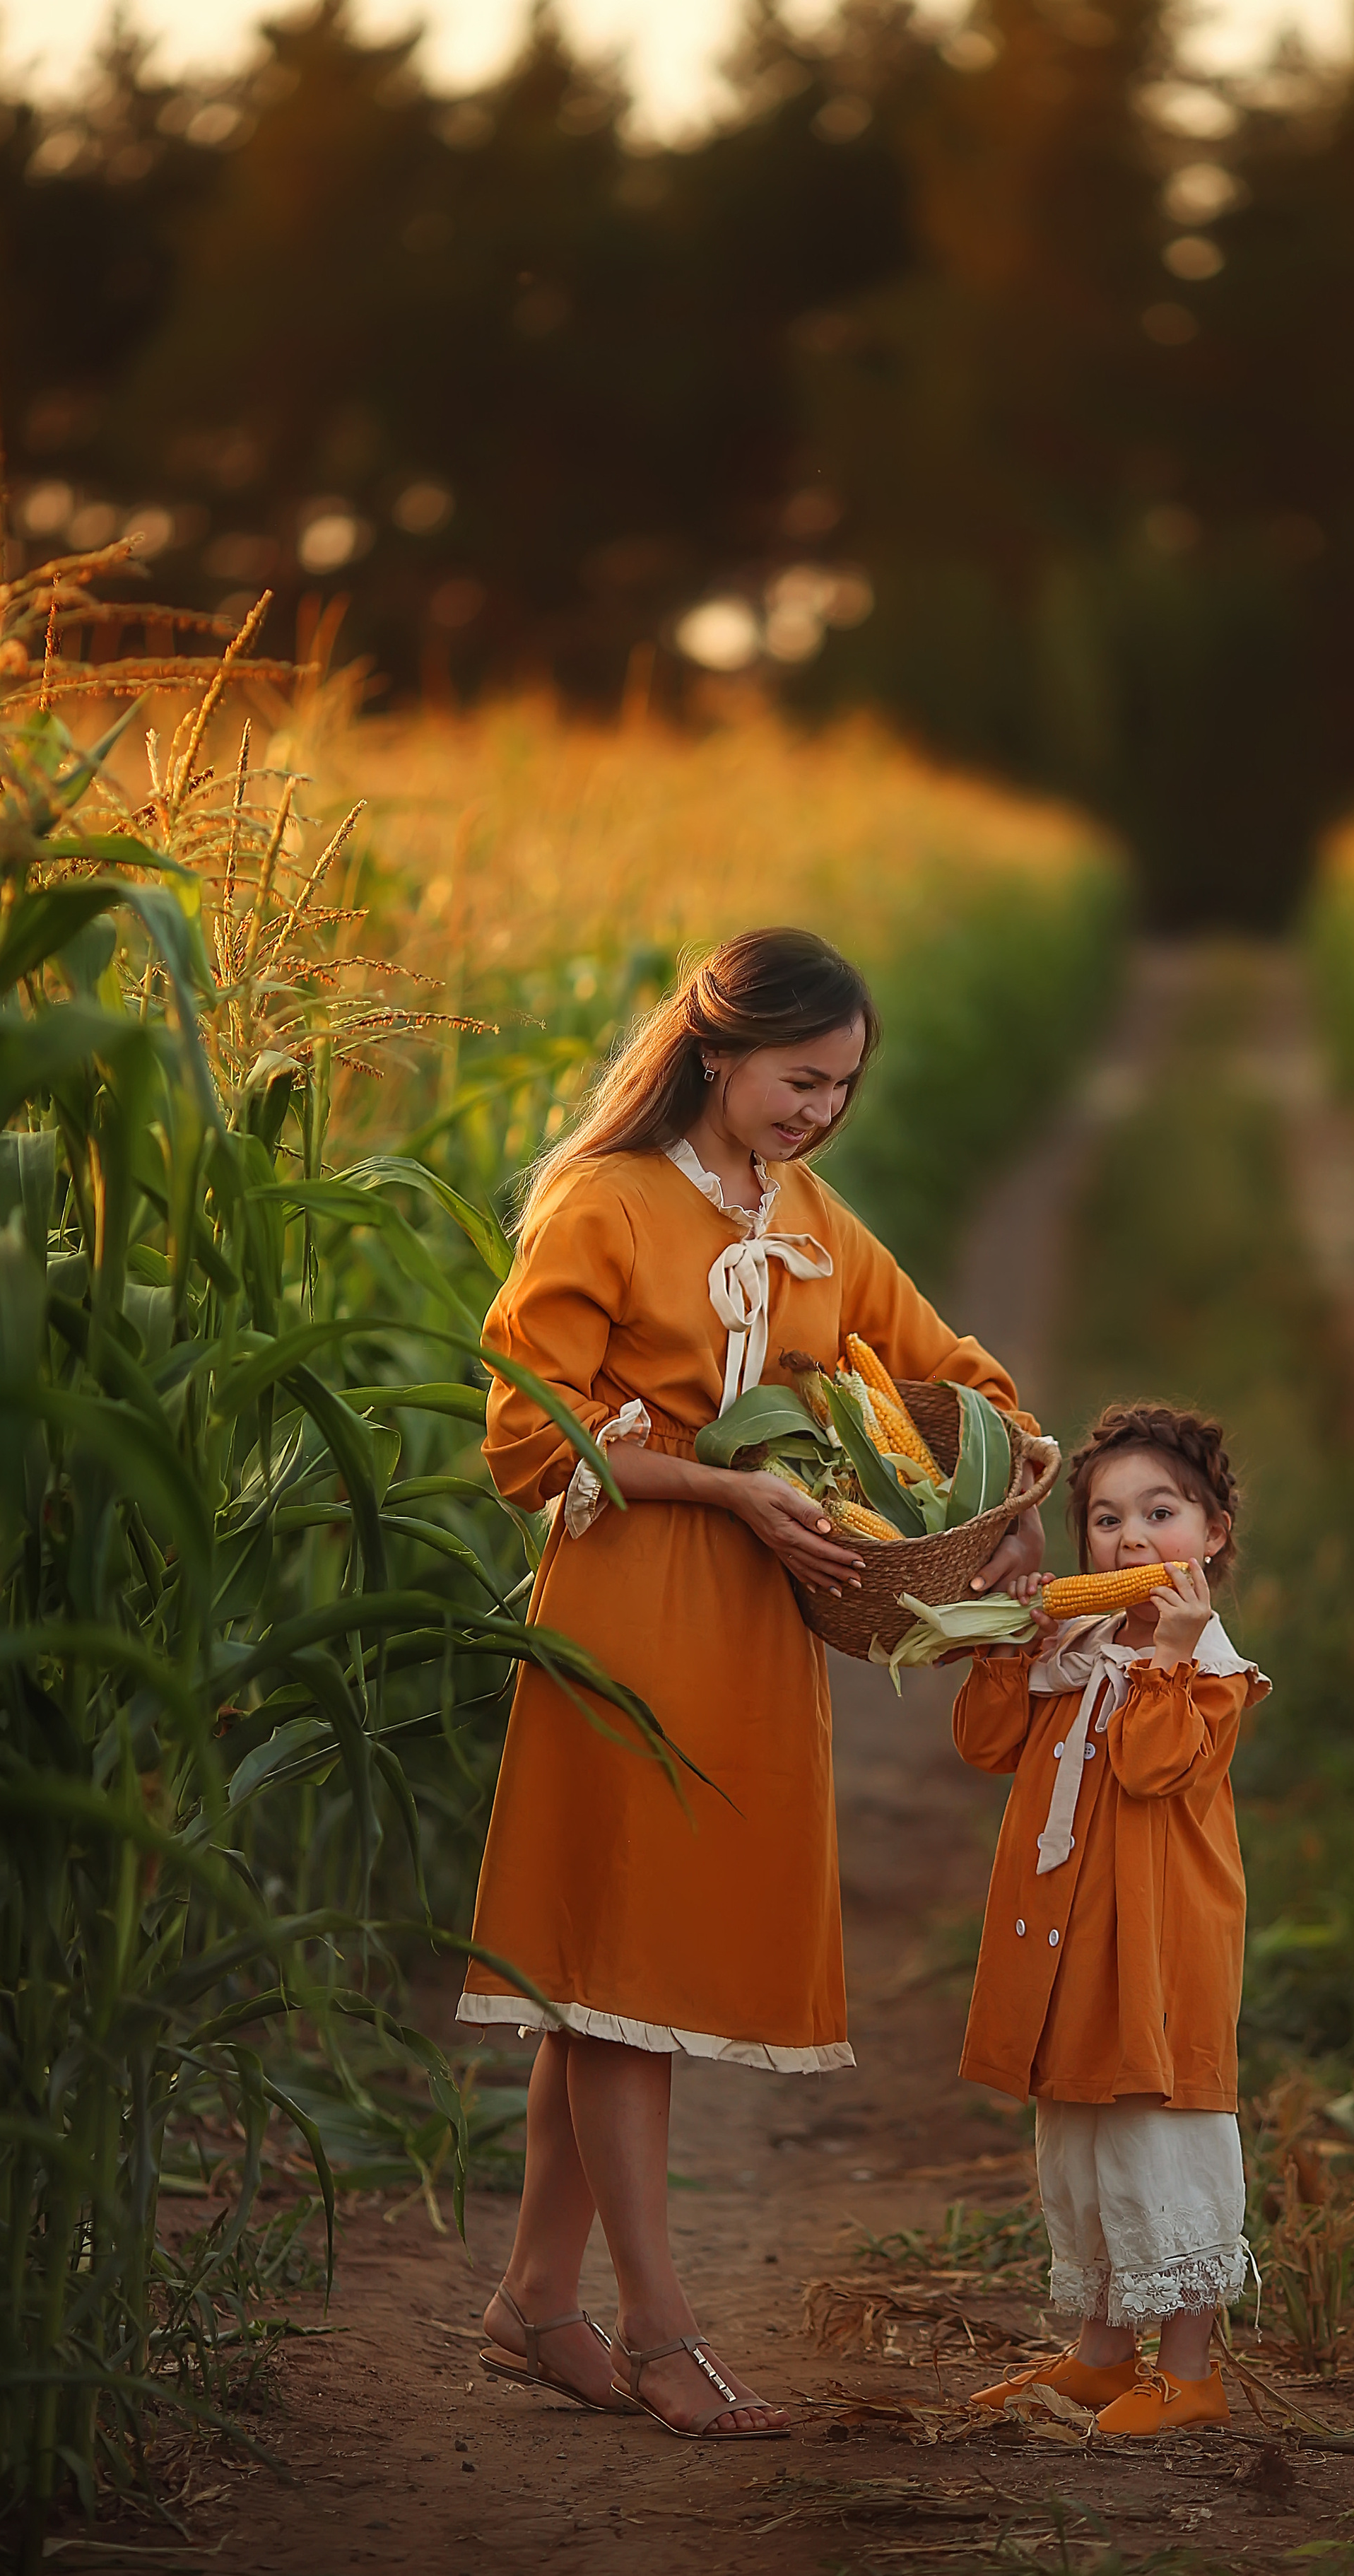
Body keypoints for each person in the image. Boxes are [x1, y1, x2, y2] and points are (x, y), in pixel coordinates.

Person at [459, 927, 1044, 2440]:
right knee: (622, 1978)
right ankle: (659, 2330)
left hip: (751, 1629)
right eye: (801, 1080)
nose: (819, 1113)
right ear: (716, 1053)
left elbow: (945, 1367)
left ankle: (532, 2299)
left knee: (615, 1976)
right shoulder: (605, 1203)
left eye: (844, 1088)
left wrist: (1005, 1468)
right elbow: (528, 1443)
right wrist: (721, 1491)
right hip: (628, 1599)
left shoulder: (804, 1216)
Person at [953, 1401, 1268, 2441]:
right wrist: (1011, 1637)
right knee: (1082, 2141)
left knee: (1156, 2142)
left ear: (1214, 1534)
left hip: (1158, 1956)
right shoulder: (1073, 1649)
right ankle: (1100, 2353)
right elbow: (985, 1741)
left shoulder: (1212, 1673)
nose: (1131, 1540)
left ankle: (1189, 2371)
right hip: (1065, 1951)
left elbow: (1150, 1764)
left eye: (1162, 1513)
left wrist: (1169, 1655)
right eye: (1104, 1519)